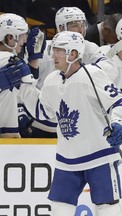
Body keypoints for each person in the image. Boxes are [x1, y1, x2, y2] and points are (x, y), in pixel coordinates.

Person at [14, 31, 122, 216]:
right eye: (54, 50)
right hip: (67, 158)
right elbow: (42, 111)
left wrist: (119, 124)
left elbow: (121, 102)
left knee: (108, 208)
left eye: (59, 51)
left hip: (99, 154)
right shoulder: (52, 80)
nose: (53, 55)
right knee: (60, 207)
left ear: (73, 54)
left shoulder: (93, 75)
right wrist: (24, 85)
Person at [30, 6, 101, 138]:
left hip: (78, 126)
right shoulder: (43, 51)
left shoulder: (91, 49)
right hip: (44, 125)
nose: (81, 30)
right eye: (75, 25)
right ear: (61, 28)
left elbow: (107, 72)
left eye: (83, 25)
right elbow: (28, 83)